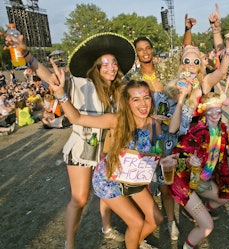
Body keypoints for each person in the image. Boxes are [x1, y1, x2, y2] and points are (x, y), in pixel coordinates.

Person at [2, 31, 134, 248]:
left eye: (114, 63)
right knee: (80, 199)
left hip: (106, 153)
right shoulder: (82, 84)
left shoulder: (119, 91)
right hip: (82, 151)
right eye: (105, 64)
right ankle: (69, 244)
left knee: (105, 192)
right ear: (97, 68)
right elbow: (51, 79)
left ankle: (107, 228)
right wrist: (26, 54)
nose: (111, 68)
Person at [51, 78, 178, 249]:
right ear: (127, 102)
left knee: (156, 218)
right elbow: (77, 118)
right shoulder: (117, 120)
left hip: (134, 179)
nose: (143, 104)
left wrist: (165, 160)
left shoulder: (154, 124)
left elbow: (156, 153)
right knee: (136, 223)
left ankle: (133, 242)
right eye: (136, 99)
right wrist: (61, 95)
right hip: (109, 180)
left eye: (146, 98)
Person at [128, 14, 197, 241]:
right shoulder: (134, 79)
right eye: (141, 49)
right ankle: (144, 221)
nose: (145, 52)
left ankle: (171, 221)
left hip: (173, 131)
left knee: (170, 182)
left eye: (148, 48)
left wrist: (187, 28)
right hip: (150, 134)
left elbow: (184, 50)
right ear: (137, 53)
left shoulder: (167, 69)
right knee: (147, 182)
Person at [169, 92, 229, 249]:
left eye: (218, 110)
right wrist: (188, 160)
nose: (215, 114)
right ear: (204, 111)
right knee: (207, 226)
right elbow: (177, 154)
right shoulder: (196, 130)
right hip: (183, 181)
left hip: (202, 180)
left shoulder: (222, 129)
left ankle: (195, 212)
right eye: (211, 110)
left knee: (224, 197)